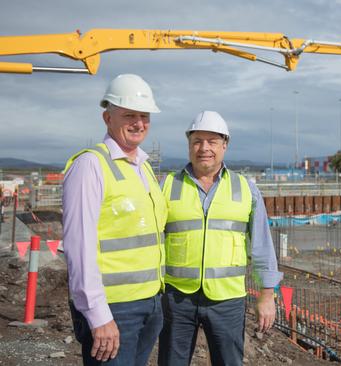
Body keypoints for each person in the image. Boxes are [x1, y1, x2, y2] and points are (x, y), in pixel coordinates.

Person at [158, 111, 283, 366]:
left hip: (227, 301)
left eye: (212, 141)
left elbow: (261, 245)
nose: (204, 148)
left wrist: (267, 295)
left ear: (225, 145)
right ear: (189, 145)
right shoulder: (167, 185)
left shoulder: (245, 188)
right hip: (176, 299)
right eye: (197, 141)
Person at [62, 74, 167, 365]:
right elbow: (78, 246)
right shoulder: (90, 165)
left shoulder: (143, 168)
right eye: (129, 115)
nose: (138, 123)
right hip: (114, 309)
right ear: (107, 117)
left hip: (150, 303)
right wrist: (98, 316)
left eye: (144, 116)